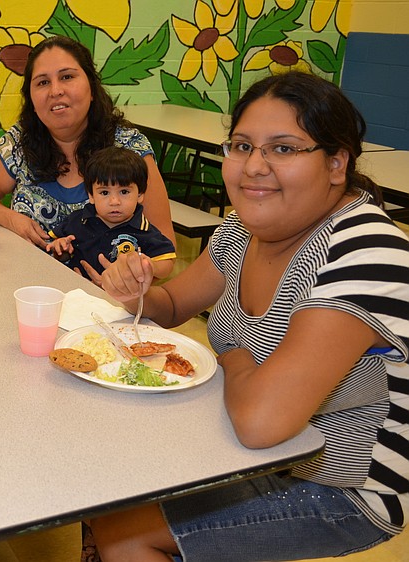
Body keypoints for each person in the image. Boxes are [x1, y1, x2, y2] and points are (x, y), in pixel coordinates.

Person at [89, 71, 409, 561]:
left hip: (340, 486)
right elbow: (171, 307)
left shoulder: (364, 251)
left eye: (283, 148)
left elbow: (261, 422)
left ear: (336, 163)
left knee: (122, 534)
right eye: (242, 146)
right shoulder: (243, 228)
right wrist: (135, 291)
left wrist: (233, 357)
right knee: (104, 474)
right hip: (242, 446)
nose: (254, 167)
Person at [0, 35, 174, 265]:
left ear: (92, 89)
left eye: (67, 77)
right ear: (31, 99)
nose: (55, 91)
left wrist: (125, 277)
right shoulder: (20, 141)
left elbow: (165, 248)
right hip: (26, 278)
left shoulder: (130, 148)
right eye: (43, 82)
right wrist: (12, 219)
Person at [47, 146, 175, 280]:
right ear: (91, 195)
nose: (114, 201)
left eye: (124, 192)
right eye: (104, 192)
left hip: (118, 293)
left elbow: (167, 263)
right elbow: (53, 245)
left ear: (140, 194)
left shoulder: (145, 231)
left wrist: (149, 266)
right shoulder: (77, 220)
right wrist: (60, 248)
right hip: (73, 288)